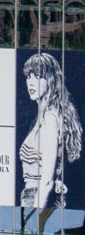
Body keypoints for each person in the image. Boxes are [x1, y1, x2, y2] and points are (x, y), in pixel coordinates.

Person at [20, 52, 83, 209]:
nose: (31, 82)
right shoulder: (43, 117)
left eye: (38, 76)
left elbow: (46, 180)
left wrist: (34, 216)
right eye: (29, 76)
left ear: (50, 80)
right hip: (38, 197)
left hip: (38, 200)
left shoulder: (50, 118)